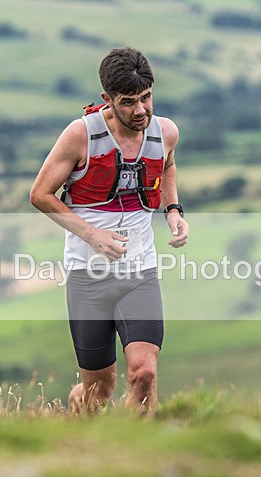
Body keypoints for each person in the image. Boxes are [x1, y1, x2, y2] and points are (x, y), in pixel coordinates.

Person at [30, 47, 189, 413]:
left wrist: (173, 209)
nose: (141, 111)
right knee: (98, 390)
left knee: (144, 373)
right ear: (107, 99)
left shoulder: (165, 132)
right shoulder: (80, 135)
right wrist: (92, 235)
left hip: (139, 272)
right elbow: (40, 195)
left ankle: (145, 454)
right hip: (88, 277)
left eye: (147, 98)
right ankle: (75, 428)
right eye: (129, 102)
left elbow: (167, 166)